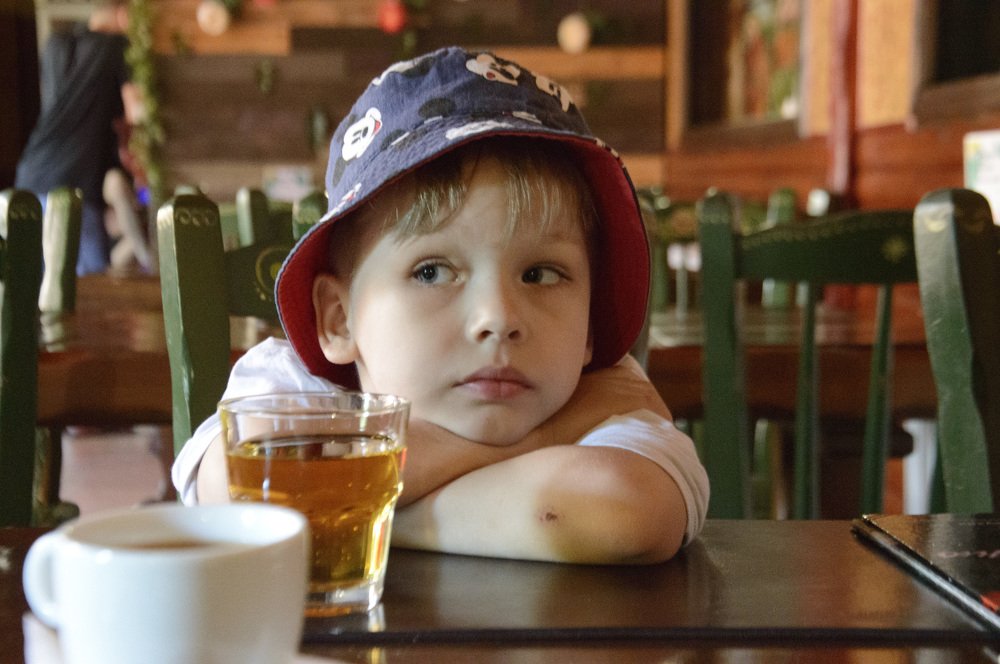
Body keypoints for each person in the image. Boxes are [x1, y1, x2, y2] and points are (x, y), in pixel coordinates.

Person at [173, 46, 709, 564]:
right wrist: (545, 439)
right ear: (339, 318)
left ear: (589, 324)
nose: (498, 318)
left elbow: (624, 513)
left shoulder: (614, 403)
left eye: (540, 273)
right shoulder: (292, 387)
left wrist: (341, 512)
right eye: (431, 272)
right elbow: (241, 486)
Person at [15, 0, 137, 275]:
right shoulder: (115, 46)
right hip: (72, 189)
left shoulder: (55, 44)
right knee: (88, 288)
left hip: (30, 177)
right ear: (122, 15)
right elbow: (136, 109)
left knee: (35, 285)